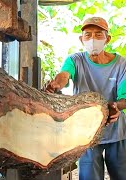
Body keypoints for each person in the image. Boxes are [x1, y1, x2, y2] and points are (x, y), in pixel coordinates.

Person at [45, 17, 126, 180]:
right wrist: (56, 84)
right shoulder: (75, 60)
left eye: (98, 34)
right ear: (82, 39)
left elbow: (124, 98)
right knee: (89, 176)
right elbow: (64, 76)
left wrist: (116, 106)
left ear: (107, 38)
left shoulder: (121, 64)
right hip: (86, 134)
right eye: (87, 35)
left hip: (116, 133)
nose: (93, 39)